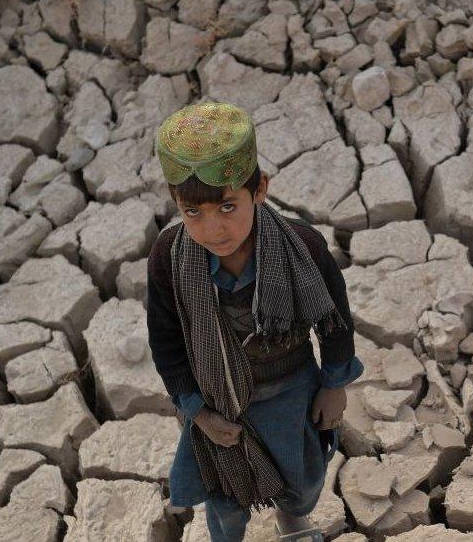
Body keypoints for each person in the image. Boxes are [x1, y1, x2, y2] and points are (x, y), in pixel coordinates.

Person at [146, 102, 364, 542]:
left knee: (301, 482)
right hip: (218, 405)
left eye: (228, 207)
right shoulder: (170, 260)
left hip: (291, 391)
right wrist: (198, 412)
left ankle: (292, 523)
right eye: (194, 212)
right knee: (225, 498)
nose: (213, 229)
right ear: (177, 204)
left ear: (259, 189)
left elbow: (335, 322)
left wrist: (334, 385)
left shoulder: (301, 247)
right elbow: (165, 343)